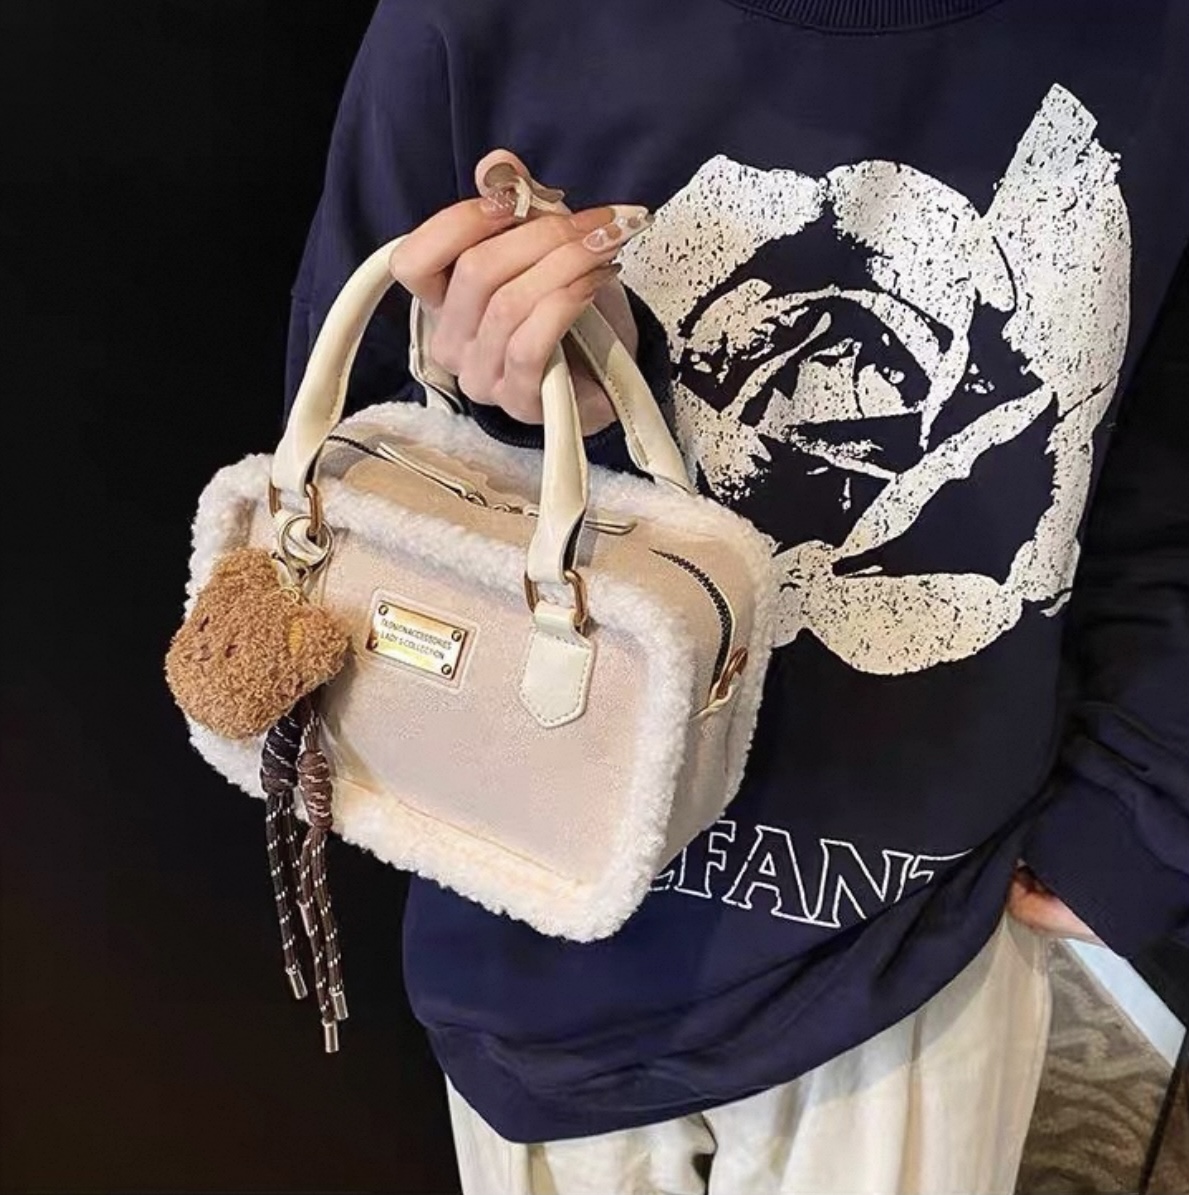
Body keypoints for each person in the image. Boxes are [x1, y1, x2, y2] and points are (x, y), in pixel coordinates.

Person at [285, 2, 1189, 1191]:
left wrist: (1134, 811)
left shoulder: (1149, 50)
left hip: (918, 937)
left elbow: (1154, 472)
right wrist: (518, 408)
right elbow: (342, 474)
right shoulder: (472, 24)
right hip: (534, 915)